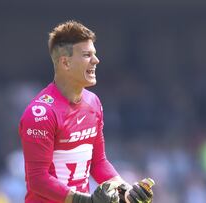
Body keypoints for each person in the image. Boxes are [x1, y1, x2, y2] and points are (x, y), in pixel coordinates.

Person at [18, 20, 153, 203]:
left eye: (94, 54)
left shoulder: (93, 102)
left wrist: (126, 191)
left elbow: (98, 162)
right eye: (87, 55)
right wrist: (84, 201)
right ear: (65, 62)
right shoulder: (40, 113)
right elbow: (37, 180)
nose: (96, 61)